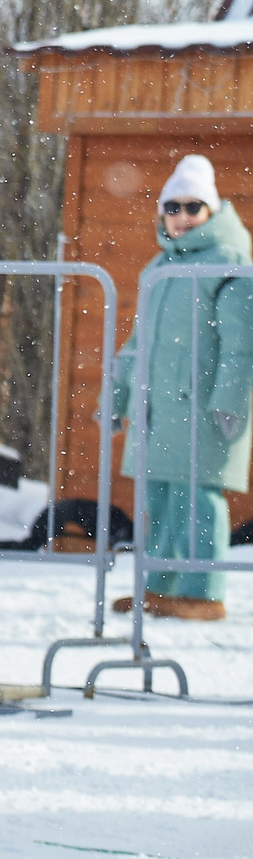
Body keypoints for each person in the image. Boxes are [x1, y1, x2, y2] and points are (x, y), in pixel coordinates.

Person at [110, 154, 253, 622]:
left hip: (203, 408)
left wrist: (230, 400)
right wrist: (115, 396)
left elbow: (242, 342)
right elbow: (137, 343)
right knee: (160, 502)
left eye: (194, 207)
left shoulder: (230, 262)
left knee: (197, 500)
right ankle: (160, 587)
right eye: (174, 207)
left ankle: (203, 592)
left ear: (211, 211)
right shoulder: (158, 266)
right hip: (159, 409)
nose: (183, 217)